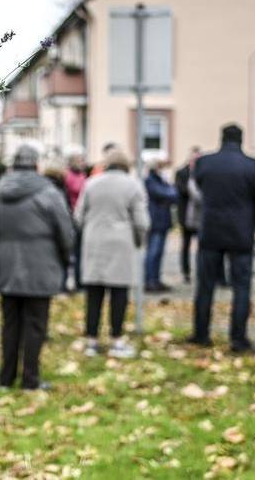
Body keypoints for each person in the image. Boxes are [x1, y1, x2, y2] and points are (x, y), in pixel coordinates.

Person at [0, 146, 76, 390]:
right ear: (36, 164)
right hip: (40, 266)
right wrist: (66, 259)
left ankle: (6, 377)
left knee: (10, 324)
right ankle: (30, 379)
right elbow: (66, 232)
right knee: (35, 325)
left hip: (5, 267)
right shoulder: (49, 192)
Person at [190, 124, 255, 352]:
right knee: (241, 287)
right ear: (241, 140)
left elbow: (198, 188)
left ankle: (201, 333)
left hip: (211, 230)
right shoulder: (254, 166)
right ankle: (238, 338)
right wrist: (254, 219)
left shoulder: (205, 163)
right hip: (241, 232)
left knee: (205, 285)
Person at [75, 148, 149, 358]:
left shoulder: (91, 183)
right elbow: (142, 222)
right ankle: (116, 340)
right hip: (121, 243)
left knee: (93, 294)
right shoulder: (133, 185)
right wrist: (138, 242)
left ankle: (91, 341)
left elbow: (78, 216)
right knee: (119, 294)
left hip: (94, 242)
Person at [144, 160, 179, 292]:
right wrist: (169, 189)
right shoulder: (150, 181)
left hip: (162, 221)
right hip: (155, 222)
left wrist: (169, 188)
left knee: (159, 253)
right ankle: (150, 281)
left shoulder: (161, 181)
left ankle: (156, 279)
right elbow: (166, 193)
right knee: (153, 252)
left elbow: (174, 196)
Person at [174, 147, 204, 284]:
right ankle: (185, 272)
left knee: (202, 245)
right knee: (186, 245)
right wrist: (194, 190)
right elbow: (181, 189)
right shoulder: (181, 172)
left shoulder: (203, 172)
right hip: (186, 215)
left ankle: (201, 271)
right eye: (194, 158)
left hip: (200, 216)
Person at [64, 152, 89, 291]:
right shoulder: (68, 176)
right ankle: (69, 281)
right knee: (72, 252)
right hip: (71, 216)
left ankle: (79, 280)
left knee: (80, 251)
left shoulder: (82, 175)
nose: (83, 163)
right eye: (80, 161)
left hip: (81, 217)